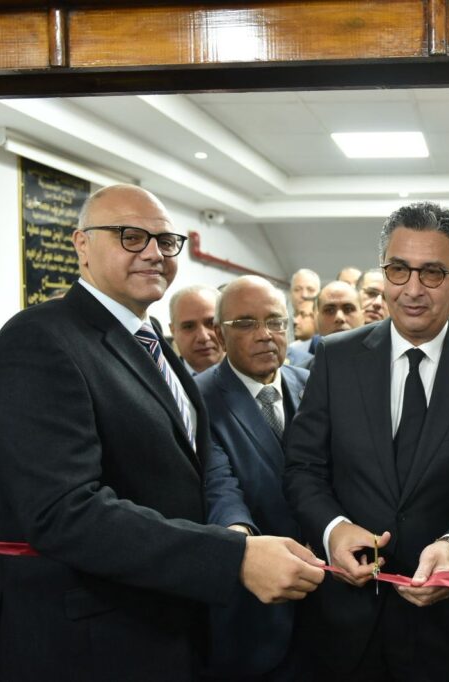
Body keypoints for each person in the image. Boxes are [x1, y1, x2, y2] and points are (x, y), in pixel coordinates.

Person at [0, 185, 324, 681]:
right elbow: (62, 511)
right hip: (86, 643)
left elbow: (192, 468)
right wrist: (232, 557)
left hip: (163, 625)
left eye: (166, 240)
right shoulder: (39, 339)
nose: (154, 253)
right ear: (81, 245)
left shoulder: (150, 340)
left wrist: (236, 532)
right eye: (130, 236)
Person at [284, 201, 449, 681]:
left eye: (432, 272)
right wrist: (333, 530)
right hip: (344, 627)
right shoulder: (336, 357)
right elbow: (303, 468)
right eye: (398, 269)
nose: (412, 289)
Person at [199, 276, 312, 681]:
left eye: (275, 321)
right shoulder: (198, 400)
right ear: (219, 334)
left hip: (326, 607)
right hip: (251, 614)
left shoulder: (313, 385)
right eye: (246, 323)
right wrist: (240, 546)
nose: (265, 335)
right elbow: (218, 487)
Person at [168, 284, 224, 375]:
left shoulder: (248, 375)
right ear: (173, 331)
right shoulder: (159, 380)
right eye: (189, 326)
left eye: (211, 323)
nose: (203, 337)